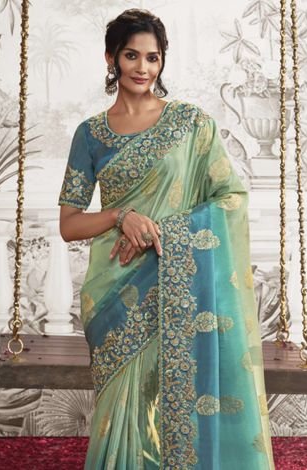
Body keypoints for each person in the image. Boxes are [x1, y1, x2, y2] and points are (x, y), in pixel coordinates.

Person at [58, 8, 275, 470]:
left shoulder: (190, 125)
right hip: (114, 290)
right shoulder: (90, 135)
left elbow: (231, 197)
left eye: (152, 57)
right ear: (111, 58)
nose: (143, 68)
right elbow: (70, 224)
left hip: (179, 283)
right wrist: (120, 216)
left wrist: (168, 232)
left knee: (173, 406)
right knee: (123, 413)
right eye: (131, 55)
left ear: (162, 61)